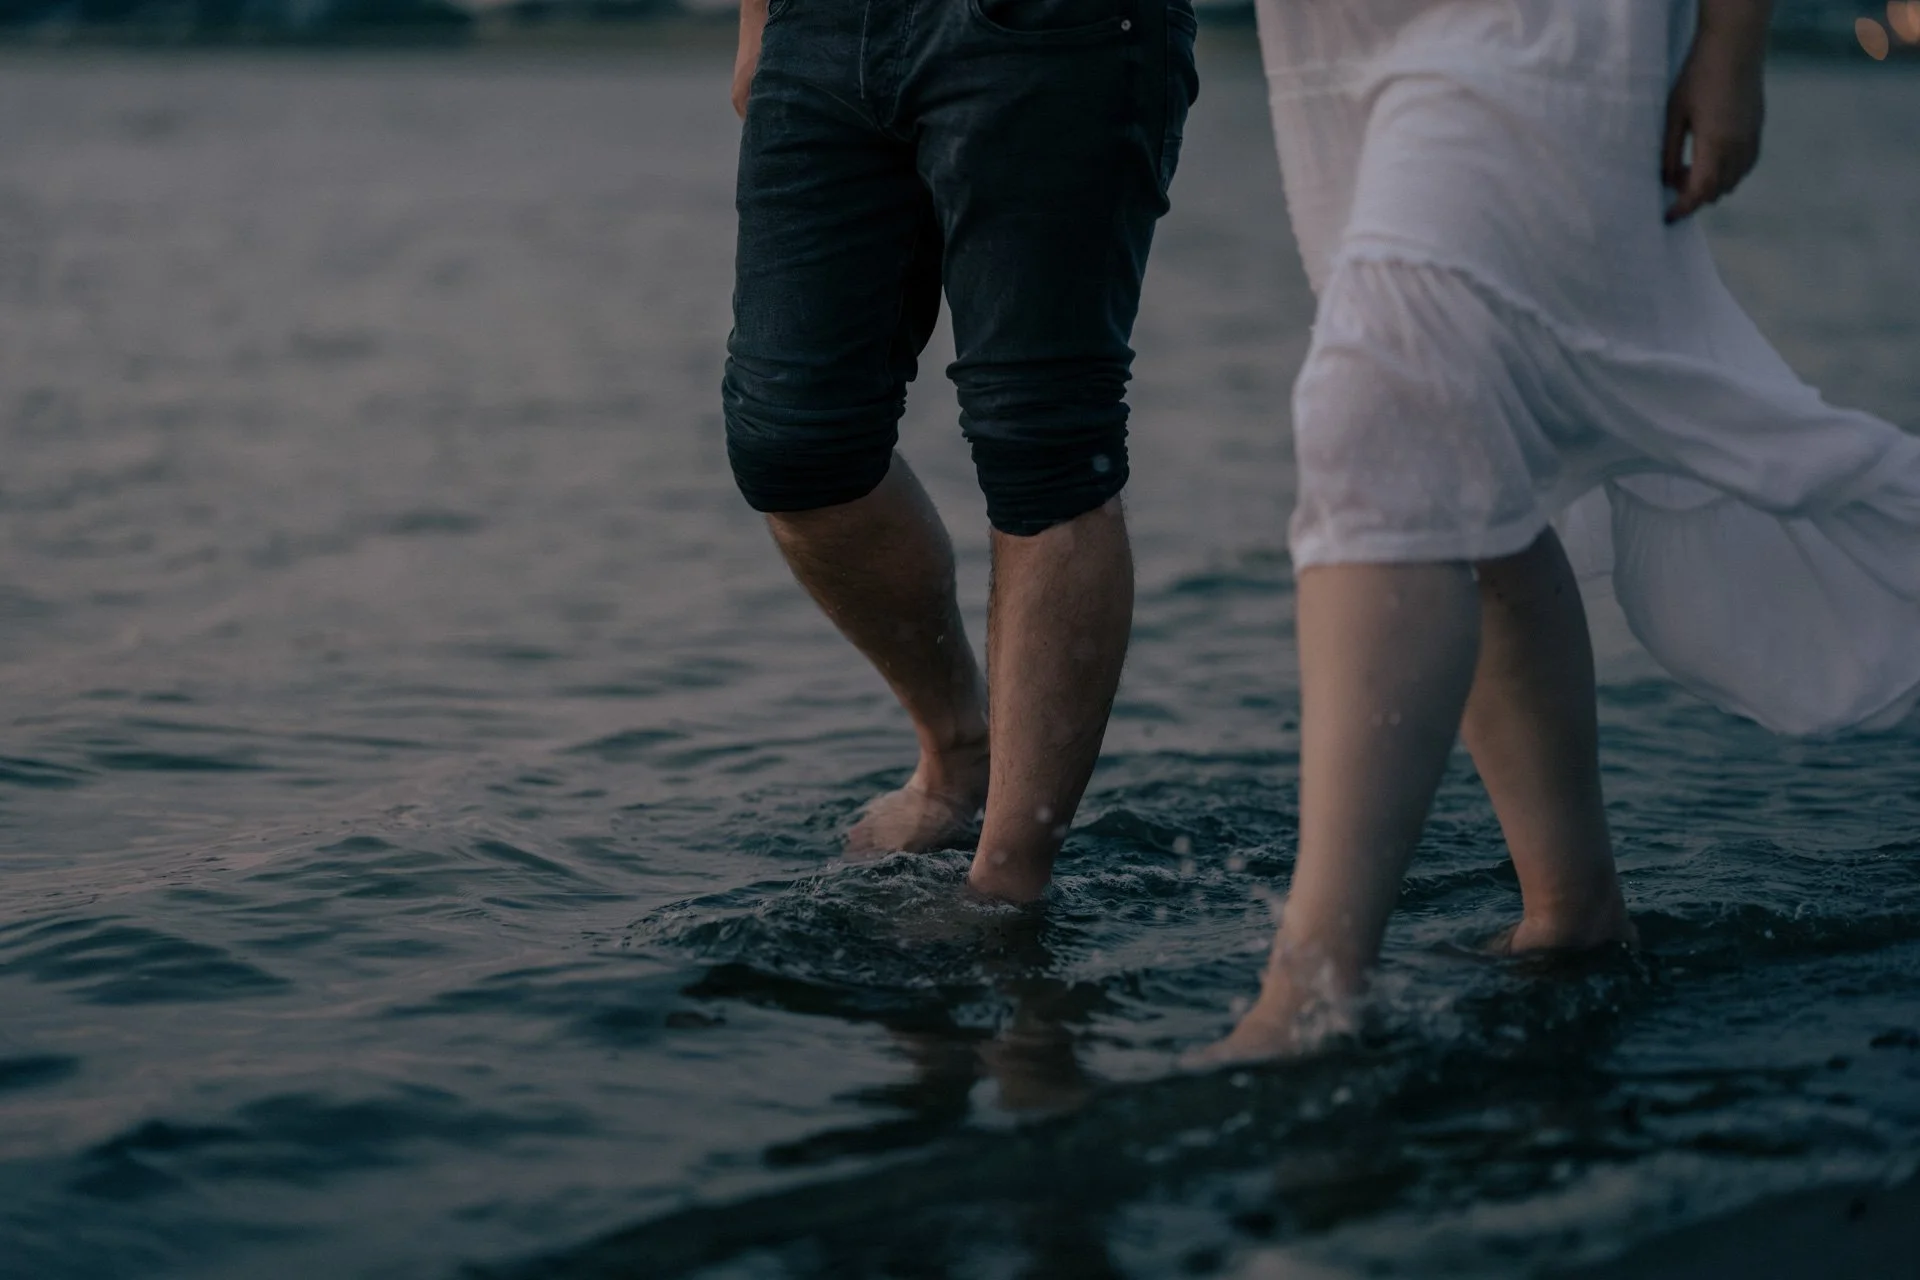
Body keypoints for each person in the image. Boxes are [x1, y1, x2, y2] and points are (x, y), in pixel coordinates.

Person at [1196, 0, 1920, 1064]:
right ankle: (1573, 909)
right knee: (1464, 437)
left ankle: (1310, 988)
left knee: (1385, 401)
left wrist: (1732, 36)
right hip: (1349, 31)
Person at [724, 0, 1198, 902]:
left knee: (1045, 446)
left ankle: (1009, 880)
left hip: (1052, 31)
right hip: (818, 27)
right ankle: (958, 749)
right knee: (792, 444)